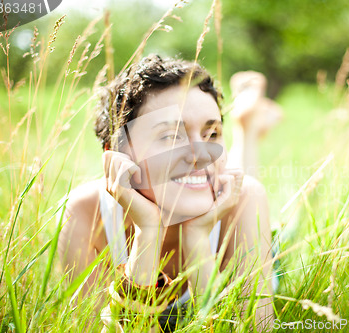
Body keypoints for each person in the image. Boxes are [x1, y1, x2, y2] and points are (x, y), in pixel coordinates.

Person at [58, 55, 275, 331]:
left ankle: (248, 127)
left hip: (249, 225)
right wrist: (147, 231)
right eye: (171, 137)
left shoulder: (243, 199)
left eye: (212, 134)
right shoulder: (85, 214)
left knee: (245, 180)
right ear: (116, 156)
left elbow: (255, 329)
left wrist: (197, 237)